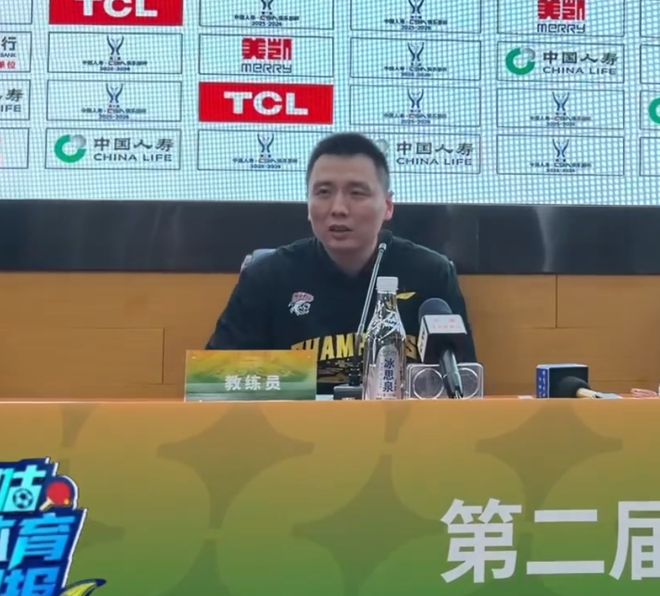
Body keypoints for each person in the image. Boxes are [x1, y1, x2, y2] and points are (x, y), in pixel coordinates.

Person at [206, 132, 476, 394]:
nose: (338, 208)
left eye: (357, 193)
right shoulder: (266, 277)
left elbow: (463, 383)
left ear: (388, 205)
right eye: (323, 192)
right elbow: (216, 384)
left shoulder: (431, 274)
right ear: (308, 204)